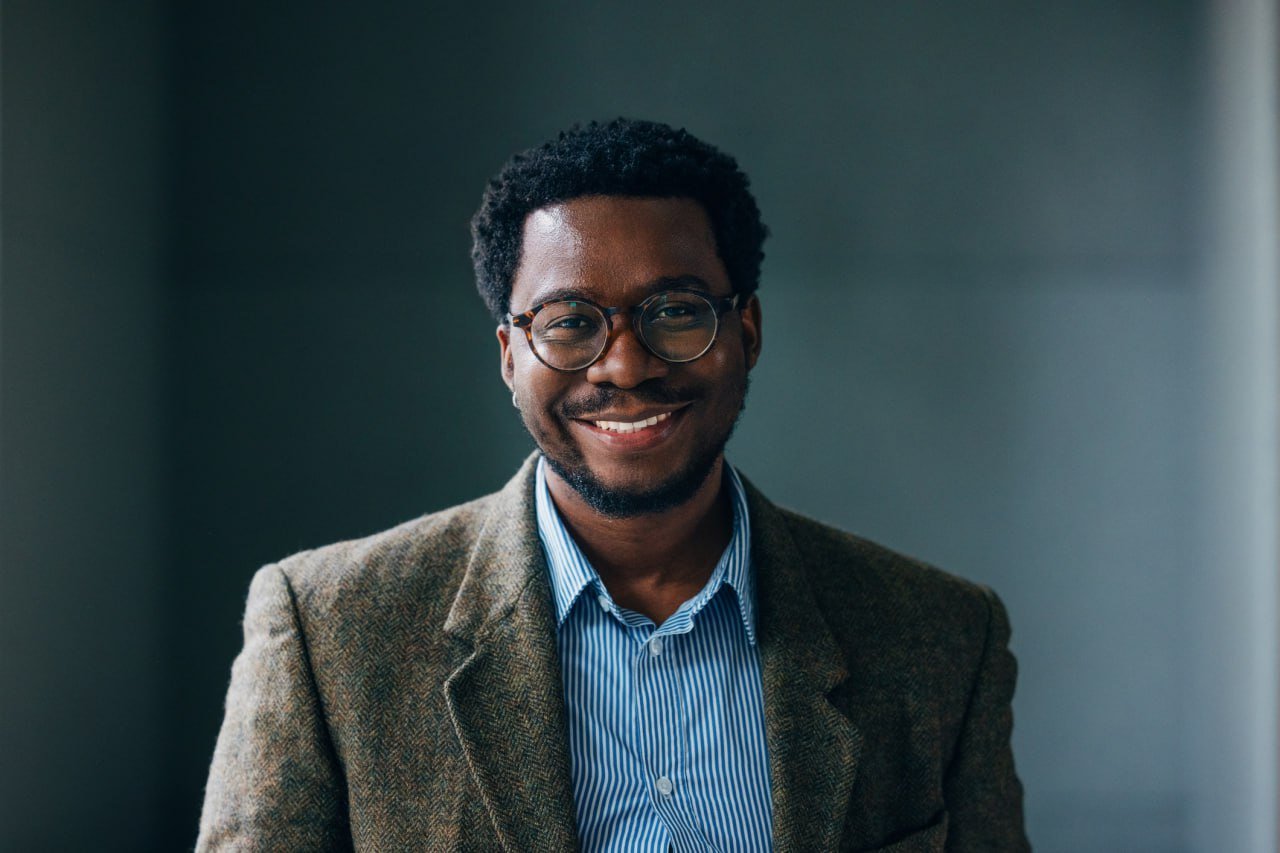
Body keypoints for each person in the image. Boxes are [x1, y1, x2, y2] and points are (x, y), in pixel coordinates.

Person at [197, 118, 1029, 852]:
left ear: (746, 330)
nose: (625, 365)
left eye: (675, 310)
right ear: (509, 355)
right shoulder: (329, 632)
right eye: (570, 322)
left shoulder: (941, 638)